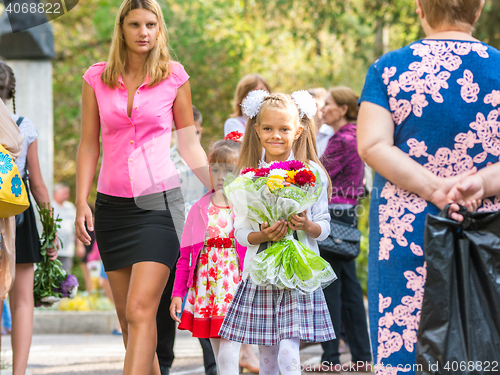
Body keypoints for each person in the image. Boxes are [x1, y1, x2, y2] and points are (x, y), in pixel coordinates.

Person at [357, 0, 496, 371]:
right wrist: (479, 182)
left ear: (420, 8)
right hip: (490, 235)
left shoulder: (387, 70)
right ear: (478, 9)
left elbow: (372, 145)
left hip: (410, 233)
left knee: (407, 342)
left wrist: (435, 189)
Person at [74, 0, 211, 374]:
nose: (143, 33)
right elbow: (89, 144)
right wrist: (81, 201)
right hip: (110, 208)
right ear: (121, 29)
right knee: (129, 321)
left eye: (151, 24)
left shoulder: (174, 76)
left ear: (160, 28)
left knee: (139, 310)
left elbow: (189, 143)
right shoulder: (96, 78)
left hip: (159, 206)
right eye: (134, 24)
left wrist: (220, 188)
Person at [219, 91, 335, 375]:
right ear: (256, 130)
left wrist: (308, 226)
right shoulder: (248, 176)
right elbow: (241, 232)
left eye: (284, 129)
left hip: (298, 273)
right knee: (267, 355)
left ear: (298, 130)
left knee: (287, 350)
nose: (276, 135)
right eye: (268, 128)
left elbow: (324, 227)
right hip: (260, 273)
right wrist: (263, 235)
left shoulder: (312, 174)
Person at [306, 87, 371, 372]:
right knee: (349, 287)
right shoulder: (357, 135)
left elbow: (315, 175)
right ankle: (361, 356)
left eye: (329, 105)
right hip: (349, 215)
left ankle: (331, 358)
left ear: (344, 109)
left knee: (332, 286)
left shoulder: (342, 139)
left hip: (334, 215)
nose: (324, 109)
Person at [170, 138, 246, 375]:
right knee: (216, 352)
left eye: (229, 169)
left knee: (228, 351)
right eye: (215, 169)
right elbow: (184, 258)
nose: (221, 175)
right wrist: (178, 294)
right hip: (207, 288)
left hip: (234, 287)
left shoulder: (245, 208)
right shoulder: (198, 209)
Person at [0, 62, 57, 375]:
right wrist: (50, 230)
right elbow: (37, 184)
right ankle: (18, 373)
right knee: (21, 300)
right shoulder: (23, 125)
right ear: (11, 92)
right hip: (17, 213)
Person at [156, 105, 212, 375]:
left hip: (202, 242)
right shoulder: (162, 161)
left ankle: (213, 365)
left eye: (197, 132)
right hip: (170, 239)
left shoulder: (208, 162)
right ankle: (163, 362)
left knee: (206, 301)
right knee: (166, 300)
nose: (194, 137)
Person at [53, 183, 81, 274]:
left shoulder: (70, 207)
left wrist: (80, 246)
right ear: (55, 193)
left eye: (67, 193)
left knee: (65, 276)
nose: (66, 195)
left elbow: (76, 227)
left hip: (68, 249)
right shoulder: (50, 206)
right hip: (53, 249)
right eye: (64, 192)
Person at [307, 87, 333, 158]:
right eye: (307, 105)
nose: (310, 108)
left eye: (315, 104)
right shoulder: (300, 133)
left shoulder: (332, 133)